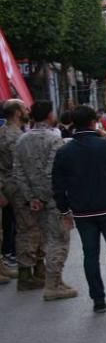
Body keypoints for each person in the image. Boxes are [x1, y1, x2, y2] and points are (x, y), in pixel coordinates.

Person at [52, 106, 106, 313]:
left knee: (90, 254)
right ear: (93, 122)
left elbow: (57, 184)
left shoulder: (64, 151)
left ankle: (97, 298)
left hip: (82, 210)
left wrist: (63, 210)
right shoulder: (103, 145)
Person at [12, 100, 77, 301]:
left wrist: (31, 196)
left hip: (33, 199)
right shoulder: (54, 139)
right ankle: (53, 284)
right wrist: (46, 195)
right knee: (59, 239)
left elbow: (18, 171)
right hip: (53, 199)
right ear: (49, 115)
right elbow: (53, 171)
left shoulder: (22, 140)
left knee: (45, 239)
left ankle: (55, 279)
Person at [0, 100, 28, 285]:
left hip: (7, 184)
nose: (27, 111)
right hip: (13, 185)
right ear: (17, 112)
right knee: (24, 228)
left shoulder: (4, 132)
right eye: (24, 108)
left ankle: (2, 265)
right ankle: (27, 270)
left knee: (5, 229)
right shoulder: (14, 135)